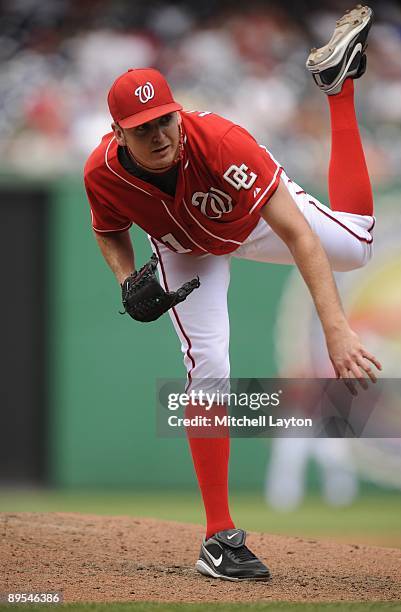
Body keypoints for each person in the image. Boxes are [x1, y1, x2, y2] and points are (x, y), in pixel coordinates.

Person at [84, 5, 381, 582]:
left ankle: (338, 88)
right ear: (119, 133)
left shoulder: (220, 142)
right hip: (184, 249)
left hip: (257, 221)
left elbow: (297, 235)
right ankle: (220, 537)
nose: (159, 134)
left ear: (177, 112)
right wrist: (125, 279)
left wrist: (336, 328)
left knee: (357, 247)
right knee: (210, 367)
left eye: (164, 119)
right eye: (142, 127)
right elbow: (107, 229)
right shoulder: (102, 172)